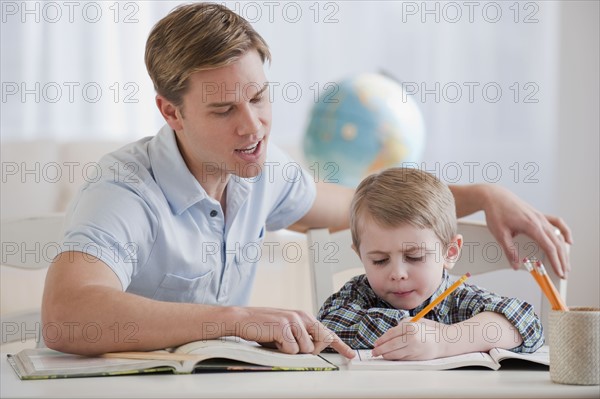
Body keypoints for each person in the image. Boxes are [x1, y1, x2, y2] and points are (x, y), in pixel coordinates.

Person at [42, 3, 568, 357]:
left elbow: (366, 209)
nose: (253, 128)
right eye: (224, 109)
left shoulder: (261, 173)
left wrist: (484, 195)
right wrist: (234, 319)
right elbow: (66, 314)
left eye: (259, 98)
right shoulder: (124, 189)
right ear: (171, 112)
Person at [317, 167, 544, 359]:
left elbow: (527, 324)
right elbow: (325, 326)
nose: (397, 273)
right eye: (379, 260)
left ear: (450, 252)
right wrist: (410, 331)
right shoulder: (357, 294)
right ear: (360, 256)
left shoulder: (461, 300)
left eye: (414, 257)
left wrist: (444, 339)